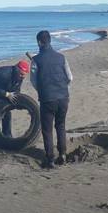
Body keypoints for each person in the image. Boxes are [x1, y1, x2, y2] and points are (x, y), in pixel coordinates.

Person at [30, 30, 73, 168]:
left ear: (39, 42)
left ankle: (50, 159)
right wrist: (61, 87)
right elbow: (70, 78)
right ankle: (63, 154)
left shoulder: (36, 60)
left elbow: (33, 81)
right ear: (50, 41)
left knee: (47, 129)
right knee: (60, 126)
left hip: (47, 98)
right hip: (63, 97)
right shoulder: (61, 57)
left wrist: (42, 90)